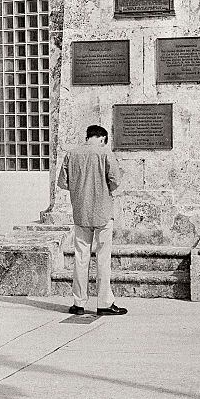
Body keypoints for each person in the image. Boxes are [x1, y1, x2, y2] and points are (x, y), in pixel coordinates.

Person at [57, 124, 125, 316]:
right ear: (102, 138)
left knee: (80, 257)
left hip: (81, 212)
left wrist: (80, 189)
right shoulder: (105, 153)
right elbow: (115, 180)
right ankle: (104, 303)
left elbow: (63, 182)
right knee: (103, 258)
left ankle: (78, 303)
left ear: (88, 137)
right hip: (103, 212)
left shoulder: (72, 154)